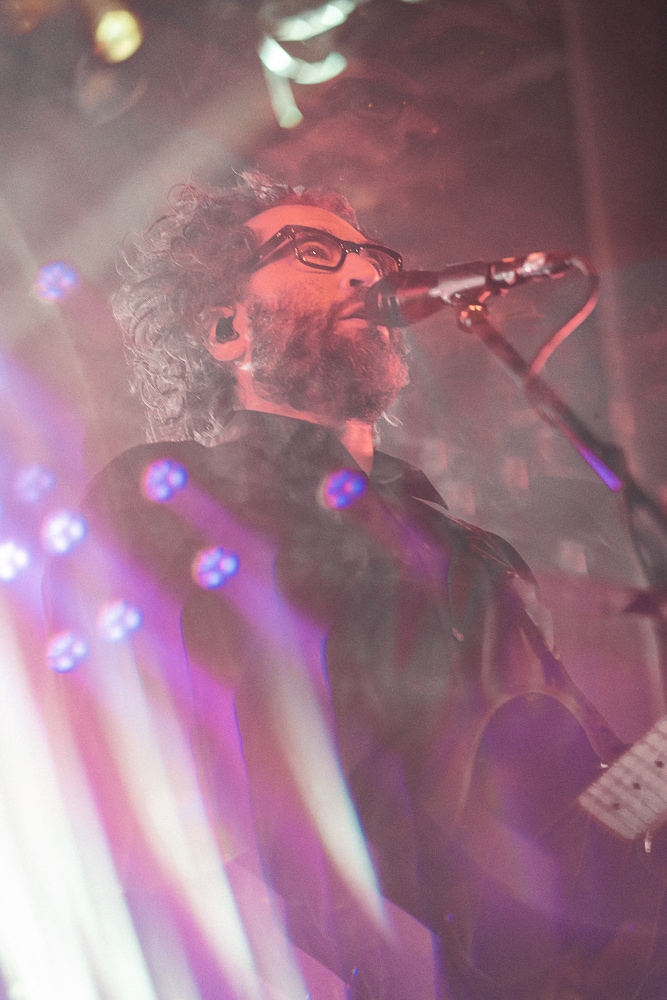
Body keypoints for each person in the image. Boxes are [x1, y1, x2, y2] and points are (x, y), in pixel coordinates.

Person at [45, 174, 665, 1000]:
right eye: (313, 254)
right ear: (228, 330)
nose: (365, 273)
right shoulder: (171, 498)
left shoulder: (464, 544)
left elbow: (575, 809)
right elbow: (125, 777)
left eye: (368, 255)